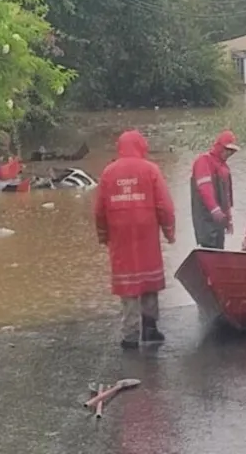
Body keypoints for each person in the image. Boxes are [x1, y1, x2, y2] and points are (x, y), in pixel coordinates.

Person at [94, 131, 176, 350]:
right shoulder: (151, 170)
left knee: (128, 282)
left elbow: (99, 210)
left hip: (119, 234)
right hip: (146, 231)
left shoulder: (109, 172)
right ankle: (150, 328)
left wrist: (103, 235)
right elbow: (165, 206)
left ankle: (130, 334)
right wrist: (169, 231)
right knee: (149, 278)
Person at [190, 130, 239, 249]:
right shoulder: (204, 161)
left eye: (231, 151)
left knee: (219, 249)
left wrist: (229, 220)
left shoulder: (224, 168)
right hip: (205, 220)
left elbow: (226, 198)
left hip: (219, 222)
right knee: (208, 246)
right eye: (227, 149)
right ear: (220, 146)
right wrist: (214, 209)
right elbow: (204, 188)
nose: (229, 153)